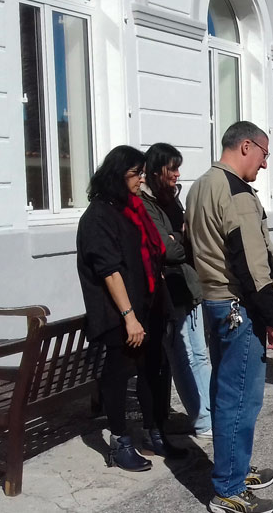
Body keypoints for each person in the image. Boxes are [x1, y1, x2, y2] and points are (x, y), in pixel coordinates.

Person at [186, 122, 273, 513]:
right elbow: (250, 264)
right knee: (239, 399)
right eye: (264, 154)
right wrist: (272, 319)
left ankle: (234, 469)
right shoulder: (236, 192)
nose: (264, 163)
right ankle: (227, 488)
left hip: (214, 302)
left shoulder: (200, 186)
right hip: (237, 306)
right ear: (246, 146)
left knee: (226, 394)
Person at [76, 145, 182, 472]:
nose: (140, 179)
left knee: (153, 369)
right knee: (118, 373)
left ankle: (154, 432)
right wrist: (129, 317)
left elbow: (150, 254)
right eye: (135, 173)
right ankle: (119, 441)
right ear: (117, 175)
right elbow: (109, 270)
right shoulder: (98, 216)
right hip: (118, 314)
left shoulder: (131, 208)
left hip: (145, 307)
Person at [141, 143, 212, 440]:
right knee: (183, 355)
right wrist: (179, 239)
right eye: (173, 168)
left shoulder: (170, 198)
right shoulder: (146, 203)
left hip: (186, 283)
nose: (177, 174)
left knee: (200, 353)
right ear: (157, 170)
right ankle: (203, 420)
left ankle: (210, 414)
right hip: (168, 289)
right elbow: (166, 249)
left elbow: (186, 238)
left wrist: (179, 236)